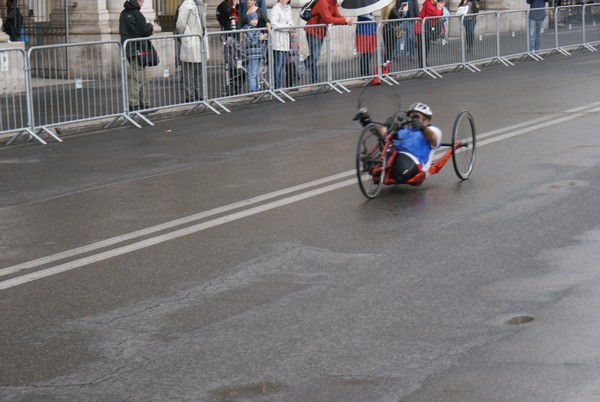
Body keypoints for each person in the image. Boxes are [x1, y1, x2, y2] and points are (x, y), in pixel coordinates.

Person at [385, 102, 443, 185]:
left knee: (400, 172)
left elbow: (434, 140)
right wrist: (371, 123)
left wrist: (422, 127)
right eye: (410, 117)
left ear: (427, 120)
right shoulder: (403, 131)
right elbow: (384, 137)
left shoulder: (433, 130)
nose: (412, 120)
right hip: (394, 156)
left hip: (413, 160)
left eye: (416, 117)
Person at [304, 0, 353, 84]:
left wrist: (346, 20)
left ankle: (314, 80)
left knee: (315, 57)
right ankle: (298, 69)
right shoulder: (323, 2)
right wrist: (344, 21)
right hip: (312, 31)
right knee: (315, 56)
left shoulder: (333, 3)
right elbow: (328, 19)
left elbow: (337, 16)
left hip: (320, 32)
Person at [120, 0, 155, 111]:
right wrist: (150, 25)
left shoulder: (124, 13)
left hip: (130, 48)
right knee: (138, 78)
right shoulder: (136, 14)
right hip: (137, 48)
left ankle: (143, 103)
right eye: (141, 0)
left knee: (141, 77)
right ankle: (134, 104)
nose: (143, 2)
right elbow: (144, 31)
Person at [176, 0, 208, 103]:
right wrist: (184, 36)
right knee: (191, 71)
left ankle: (195, 94)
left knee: (194, 71)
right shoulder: (189, 4)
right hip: (192, 40)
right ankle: (191, 95)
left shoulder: (199, 4)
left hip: (197, 41)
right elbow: (180, 24)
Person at [270, 0, 294, 89]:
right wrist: (287, 28)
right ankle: (277, 86)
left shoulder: (288, 8)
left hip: (285, 40)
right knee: (278, 65)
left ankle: (279, 85)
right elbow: (274, 24)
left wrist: (290, 28)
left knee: (283, 64)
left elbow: (291, 22)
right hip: (278, 40)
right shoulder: (276, 8)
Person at [414, 0, 445, 68]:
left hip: (427, 28)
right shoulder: (428, 4)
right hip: (422, 28)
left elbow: (441, 14)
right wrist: (439, 8)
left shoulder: (434, 5)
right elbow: (436, 14)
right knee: (422, 47)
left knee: (427, 47)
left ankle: (424, 63)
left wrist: (440, 8)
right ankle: (422, 64)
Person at [243, 12, 267, 93]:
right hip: (252, 54)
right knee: (252, 73)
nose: (254, 21)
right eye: (252, 19)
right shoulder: (248, 28)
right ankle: (252, 90)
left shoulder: (256, 29)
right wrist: (260, 37)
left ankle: (257, 89)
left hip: (258, 53)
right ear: (249, 20)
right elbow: (252, 41)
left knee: (257, 73)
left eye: (256, 19)